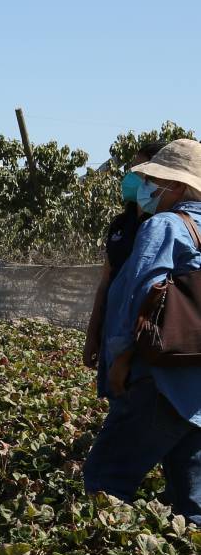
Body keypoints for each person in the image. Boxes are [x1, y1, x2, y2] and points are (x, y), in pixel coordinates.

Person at [84, 137, 201, 525]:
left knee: (106, 478)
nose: (149, 189)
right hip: (197, 396)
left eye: (157, 182)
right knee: (192, 503)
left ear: (179, 187)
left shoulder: (166, 225)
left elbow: (139, 296)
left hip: (160, 380)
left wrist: (120, 361)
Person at [84, 138, 170, 379]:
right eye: (132, 169)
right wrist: (92, 336)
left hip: (147, 341)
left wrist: (127, 351)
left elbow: (153, 292)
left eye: (141, 171)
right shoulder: (121, 225)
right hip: (112, 334)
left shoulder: (166, 226)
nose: (132, 177)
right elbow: (105, 283)